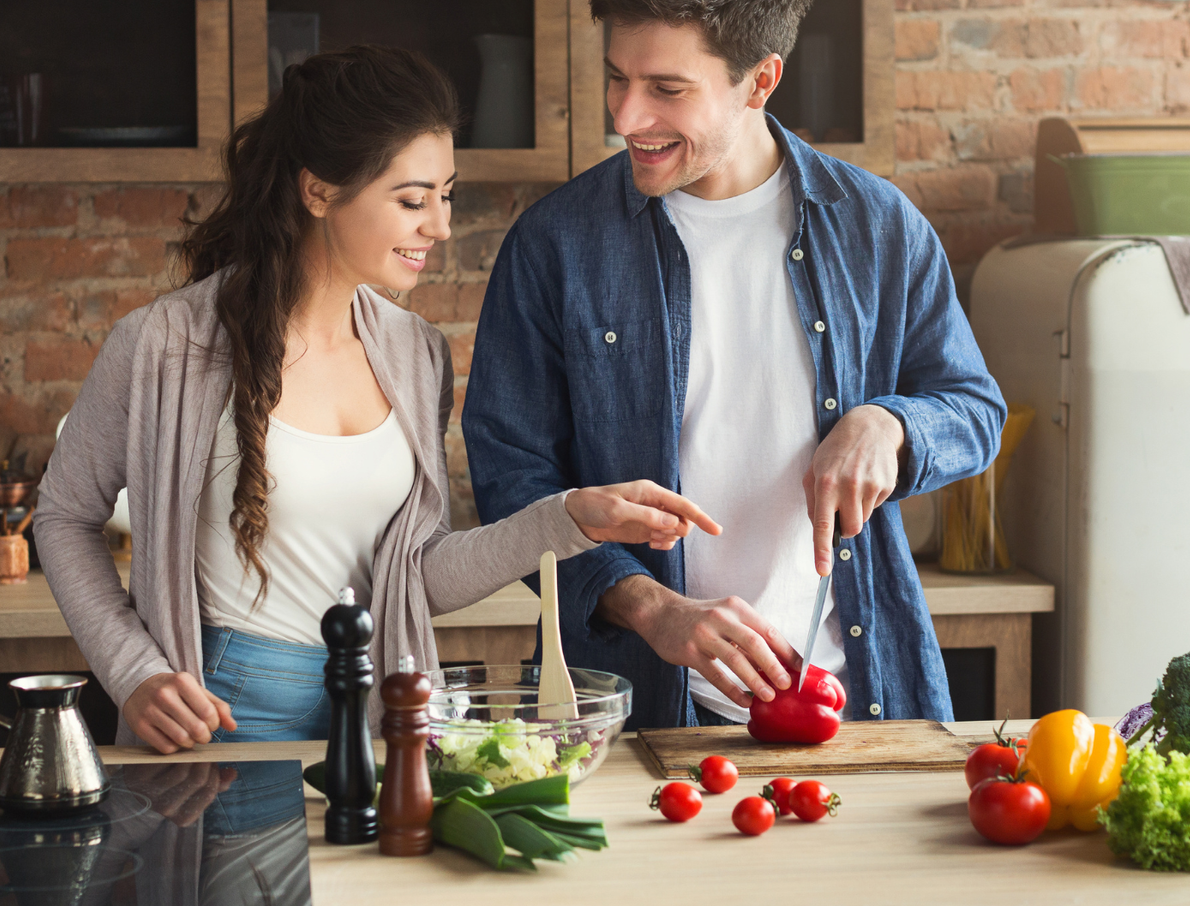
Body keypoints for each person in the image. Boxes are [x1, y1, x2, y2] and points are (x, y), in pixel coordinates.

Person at [36, 46, 718, 752]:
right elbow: (63, 516)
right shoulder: (164, 345)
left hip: (380, 715)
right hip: (222, 712)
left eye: (445, 195)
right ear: (319, 192)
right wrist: (133, 671)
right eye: (412, 200)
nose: (441, 226)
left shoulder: (415, 354)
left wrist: (569, 518)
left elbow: (415, 576)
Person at [463, 0, 1007, 731]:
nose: (626, 116)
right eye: (617, 77)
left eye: (667, 90)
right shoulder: (556, 246)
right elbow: (512, 480)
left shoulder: (878, 228)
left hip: (854, 700)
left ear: (760, 80)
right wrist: (650, 606)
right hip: (638, 711)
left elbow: (974, 409)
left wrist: (889, 425)